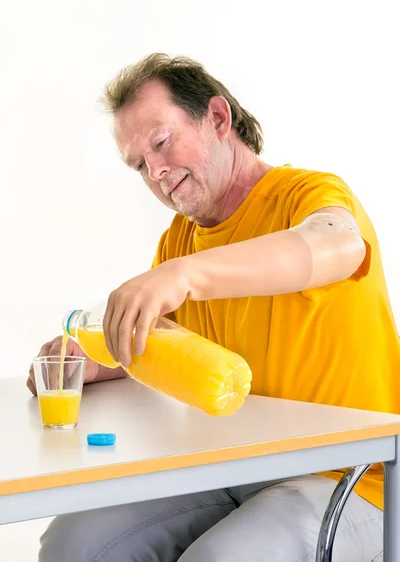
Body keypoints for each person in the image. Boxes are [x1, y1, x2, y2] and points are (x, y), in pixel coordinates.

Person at [28, 53, 399, 562]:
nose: (155, 171)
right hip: (231, 466)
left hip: (350, 477)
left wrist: (184, 276)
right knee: (74, 543)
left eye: (160, 143)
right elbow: (165, 347)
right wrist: (97, 359)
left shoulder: (307, 195)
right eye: (140, 165)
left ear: (218, 120)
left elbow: (337, 244)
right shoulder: (179, 240)